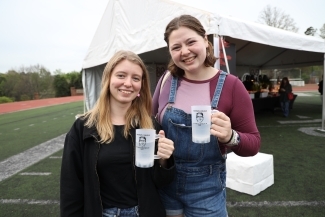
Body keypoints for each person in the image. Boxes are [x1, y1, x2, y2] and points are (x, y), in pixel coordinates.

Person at [152, 15, 261, 217]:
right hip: (166, 183)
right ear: (170, 52)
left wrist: (231, 137)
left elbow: (253, 143)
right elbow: (149, 125)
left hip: (207, 190)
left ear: (205, 40)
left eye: (191, 42)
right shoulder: (166, 80)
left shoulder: (232, 86)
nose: (184, 51)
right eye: (176, 47)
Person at [60, 50, 175, 217]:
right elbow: (71, 186)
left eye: (136, 78)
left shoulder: (150, 126)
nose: (128, 83)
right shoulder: (83, 127)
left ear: (141, 85)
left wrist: (165, 161)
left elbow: (162, 183)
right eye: (121, 75)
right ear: (108, 79)